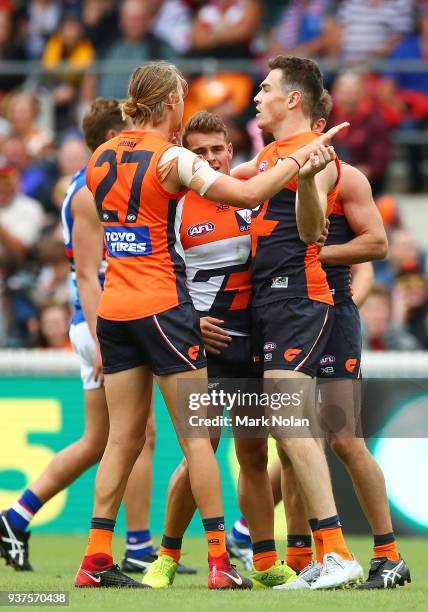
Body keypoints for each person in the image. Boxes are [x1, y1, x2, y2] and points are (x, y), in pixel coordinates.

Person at [75, 59, 345, 589]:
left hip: (115, 310)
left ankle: (96, 558)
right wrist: (303, 159)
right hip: (166, 308)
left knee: (122, 441)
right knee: (199, 442)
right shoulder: (170, 158)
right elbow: (245, 196)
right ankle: (221, 562)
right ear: (171, 103)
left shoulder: (101, 156)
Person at [231, 90, 411, 590]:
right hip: (295, 304)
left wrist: (312, 259)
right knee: (293, 441)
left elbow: (375, 243)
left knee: (342, 438)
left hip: (323, 306)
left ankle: (385, 554)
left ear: (296, 102)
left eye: (266, 88)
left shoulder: (342, 171)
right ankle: (305, 554)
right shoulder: (268, 161)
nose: (256, 96)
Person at [142, 110, 296, 589]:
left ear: (231, 151)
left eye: (217, 150)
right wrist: (191, 323)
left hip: (253, 346)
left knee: (253, 453)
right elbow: (161, 276)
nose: (210, 158)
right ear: (189, 156)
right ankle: (165, 557)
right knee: (201, 449)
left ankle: (266, 561)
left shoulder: (256, 197)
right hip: (201, 349)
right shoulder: (176, 207)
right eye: (200, 152)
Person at [0, 99, 154, 574]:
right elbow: (90, 273)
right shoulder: (94, 186)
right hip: (105, 319)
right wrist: (101, 335)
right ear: (112, 139)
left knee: (97, 441)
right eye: (127, 134)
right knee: (138, 436)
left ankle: (15, 516)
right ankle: (137, 547)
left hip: (93, 320)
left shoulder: (81, 185)